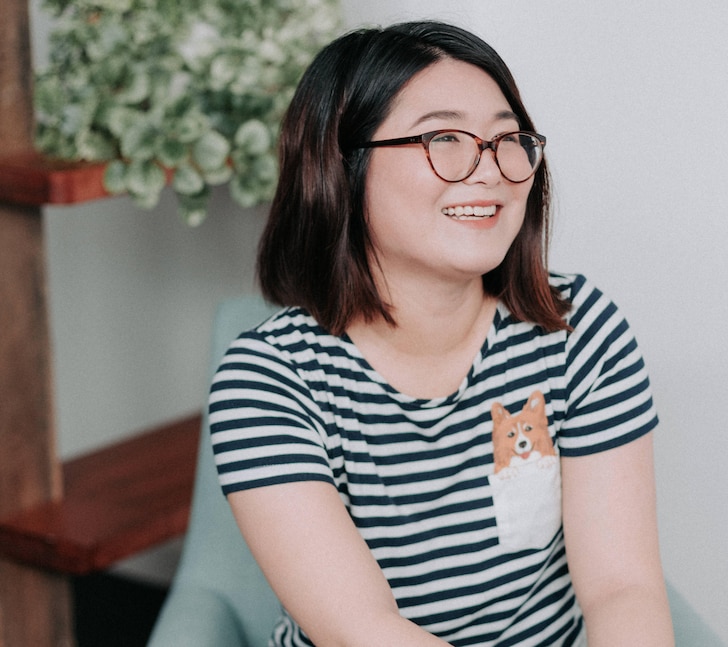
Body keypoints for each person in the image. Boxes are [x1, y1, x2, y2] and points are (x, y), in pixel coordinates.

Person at [209, 20, 674, 647]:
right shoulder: (267, 380)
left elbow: (623, 588)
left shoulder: (578, 329)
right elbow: (362, 633)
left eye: (508, 139)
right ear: (340, 163)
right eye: (444, 138)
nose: (489, 170)